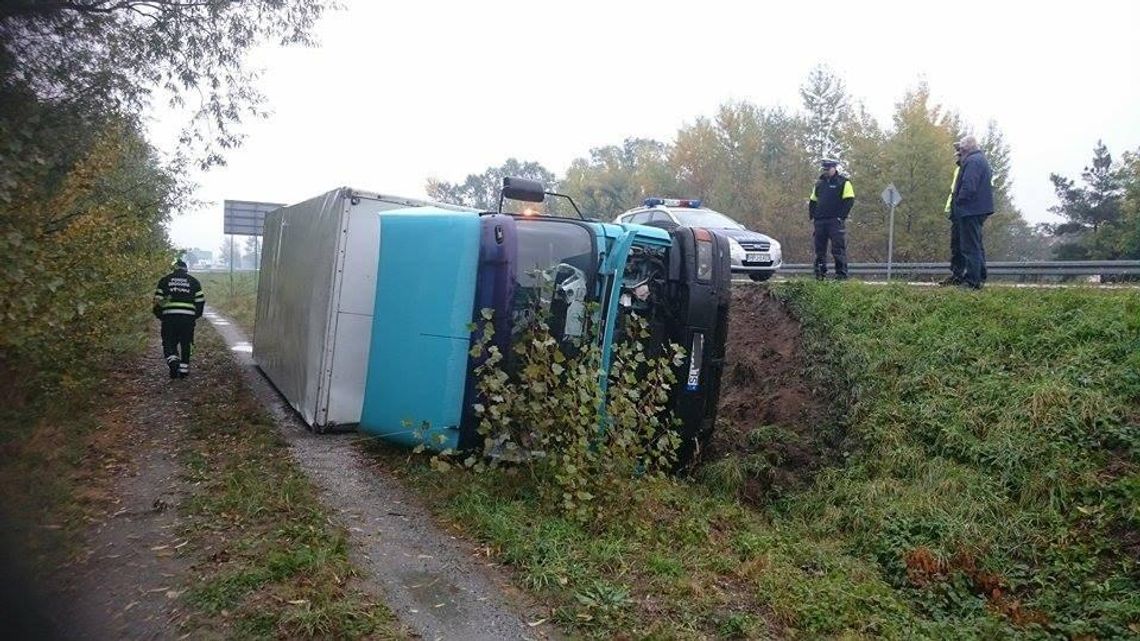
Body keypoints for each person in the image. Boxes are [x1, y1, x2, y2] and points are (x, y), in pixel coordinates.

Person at [950, 136, 994, 289]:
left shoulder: (973, 161)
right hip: (976, 209)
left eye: (961, 149)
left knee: (970, 247)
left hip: (970, 210)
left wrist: (959, 201)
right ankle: (979, 277)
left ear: (966, 149)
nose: (959, 152)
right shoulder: (978, 160)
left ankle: (972, 282)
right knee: (975, 244)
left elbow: (969, 186)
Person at [153, 259, 205, 378]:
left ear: (174, 269)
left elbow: (158, 302)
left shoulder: (165, 280)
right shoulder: (194, 282)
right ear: (186, 270)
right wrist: (195, 316)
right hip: (187, 320)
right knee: (186, 343)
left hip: (169, 318)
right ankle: (184, 371)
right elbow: (200, 302)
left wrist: (160, 315)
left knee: (168, 341)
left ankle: (173, 362)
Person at [808, 158, 855, 279]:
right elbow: (813, 201)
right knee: (820, 250)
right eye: (824, 169)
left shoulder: (843, 182)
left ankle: (841, 275)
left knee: (837, 249)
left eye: (828, 169)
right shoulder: (819, 184)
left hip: (835, 221)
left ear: (834, 168)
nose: (826, 171)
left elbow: (849, 200)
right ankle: (819, 274)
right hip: (820, 221)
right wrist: (813, 217)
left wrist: (841, 217)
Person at [939, 142, 966, 286]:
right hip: (956, 212)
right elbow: (953, 191)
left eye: (959, 153)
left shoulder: (970, 167)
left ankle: (963, 276)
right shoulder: (959, 169)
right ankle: (956, 274)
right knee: (955, 245)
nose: (957, 155)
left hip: (964, 212)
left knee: (965, 246)